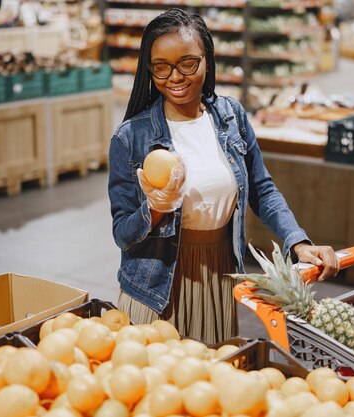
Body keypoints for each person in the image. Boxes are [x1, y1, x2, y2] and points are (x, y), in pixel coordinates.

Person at [108, 8, 339, 344]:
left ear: (207, 59)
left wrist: (298, 242)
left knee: (211, 384)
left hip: (218, 271)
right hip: (157, 284)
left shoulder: (231, 117)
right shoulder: (131, 137)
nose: (175, 77)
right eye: (161, 67)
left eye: (187, 63)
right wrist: (156, 207)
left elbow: (262, 188)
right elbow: (122, 233)